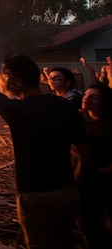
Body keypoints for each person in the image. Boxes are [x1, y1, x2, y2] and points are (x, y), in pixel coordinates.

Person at [0, 42, 90, 249]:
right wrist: (75, 185)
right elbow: (84, 153)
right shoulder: (65, 106)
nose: (3, 80)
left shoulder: (17, 111)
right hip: (68, 194)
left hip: (36, 198)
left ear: (19, 82)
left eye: (7, 76)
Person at [76, 83, 112, 248]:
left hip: (106, 179)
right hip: (83, 180)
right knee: (86, 223)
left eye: (94, 97)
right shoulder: (77, 119)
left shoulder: (109, 123)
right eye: (85, 95)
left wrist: (104, 171)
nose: (87, 99)